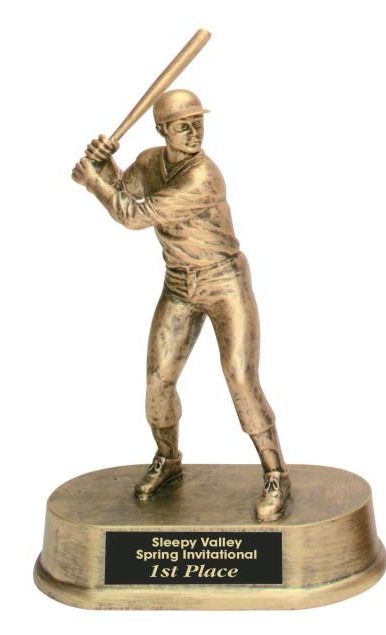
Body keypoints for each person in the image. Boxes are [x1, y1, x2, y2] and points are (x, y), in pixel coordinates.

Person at [72, 89, 290, 521]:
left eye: (198, 123)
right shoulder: (150, 163)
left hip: (224, 282)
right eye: (182, 126)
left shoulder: (204, 177)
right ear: (162, 130)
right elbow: (125, 190)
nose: (194, 132)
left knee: (240, 378)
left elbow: (133, 215)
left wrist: (93, 182)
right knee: (158, 380)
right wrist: (104, 163)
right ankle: (168, 459)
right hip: (179, 284)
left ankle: (276, 473)